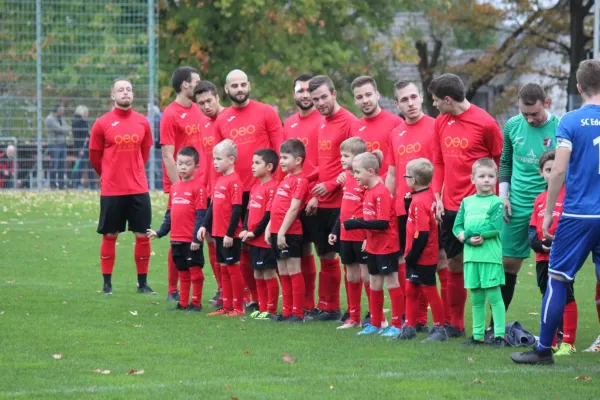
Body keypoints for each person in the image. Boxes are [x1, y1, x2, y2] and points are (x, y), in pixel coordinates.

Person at [511, 60, 600, 365]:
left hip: (579, 214)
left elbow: (559, 168)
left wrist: (548, 213)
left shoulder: (571, 121)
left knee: (558, 278)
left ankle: (543, 350)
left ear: (578, 87)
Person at [429, 73, 503, 338]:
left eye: (437, 100)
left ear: (448, 99)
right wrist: (437, 196)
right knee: (454, 264)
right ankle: (455, 325)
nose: (434, 104)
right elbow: (438, 162)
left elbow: (499, 162)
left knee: (483, 268)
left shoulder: (486, 123)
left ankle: (490, 329)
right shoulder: (440, 122)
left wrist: (496, 200)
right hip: (449, 207)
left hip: (478, 209)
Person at [215, 69, 284, 311]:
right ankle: (250, 298)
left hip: (264, 190)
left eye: (243, 84)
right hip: (236, 191)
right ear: (226, 89)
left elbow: (280, 148)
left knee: (265, 243)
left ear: (249, 85)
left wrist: (279, 184)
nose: (239, 89)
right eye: (234, 86)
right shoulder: (222, 119)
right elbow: (218, 157)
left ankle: (278, 304)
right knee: (239, 244)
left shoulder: (266, 111)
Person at [386, 80, 451, 330]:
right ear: (397, 104)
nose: (410, 103)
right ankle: (419, 320)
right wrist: (390, 206)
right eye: (404, 99)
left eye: (413, 97)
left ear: (422, 97)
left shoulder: (437, 126)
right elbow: (393, 173)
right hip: (405, 209)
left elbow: (445, 167)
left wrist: (440, 199)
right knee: (410, 261)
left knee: (441, 262)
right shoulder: (395, 133)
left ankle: (447, 322)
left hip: (434, 207)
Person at [498, 83, 558, 324]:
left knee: (552, 269)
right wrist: (503, 195)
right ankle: (497, 327)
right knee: (506, 266)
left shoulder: (560, 127)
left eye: (535, 113)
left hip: (548, 208)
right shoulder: (513, 125)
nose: (530, 119)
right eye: (525, 114)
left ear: (546, 103)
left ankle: (558, 330)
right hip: (516, 205)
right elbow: (505, 162)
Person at [88, 78, 154, 295]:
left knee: (143, 235)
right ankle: (107, 285)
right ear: (112, 95)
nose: (125, 92)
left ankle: (142, 284)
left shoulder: (143, 122)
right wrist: (109, 173)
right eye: (120, 90)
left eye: (129, 89)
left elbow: (144, 153)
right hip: (112, 190)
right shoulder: (102, 123)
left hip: (138, 188)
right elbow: (95, 156)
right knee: (109, 235)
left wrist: (133, 171)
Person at [349, 75, 403, 322]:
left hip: (389, 200)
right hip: (364, 203)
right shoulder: (355, 126)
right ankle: (375, 315)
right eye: (359, 97)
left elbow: (395, 164)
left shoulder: (394, 122)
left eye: (368, 94)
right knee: (369, 261)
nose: (365, 100)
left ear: (378, 94)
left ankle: (404, 316)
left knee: (395, 259)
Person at [307, 75, 358, 321]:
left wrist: (330, 185)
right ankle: (328, 307)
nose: (319, 103)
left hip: (342, 201)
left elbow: (355, 165)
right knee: (325, 255)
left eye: (323, 97)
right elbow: (323, 164)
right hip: (323, 201)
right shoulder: (321, 123)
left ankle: (353, 311)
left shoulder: (350, 122)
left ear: (334, 94)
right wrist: (309, 185)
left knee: (347, 258)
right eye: (315, 99)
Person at [343, 152, 405, 336]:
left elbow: (383, 222)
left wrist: (357, 223)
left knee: (391, 282)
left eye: (357, 172)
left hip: (387, 245)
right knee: (375, 283)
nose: (354, 176)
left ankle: (397, 325)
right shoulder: (368, 191)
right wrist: (364, 236)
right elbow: (371, 217)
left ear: (370, 171)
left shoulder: (382, 192)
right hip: (373, 245)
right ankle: (375, 323)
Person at [453, 158, 506, 348]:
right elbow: (457, 226)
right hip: (471, 258)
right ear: (472, 179)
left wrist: (471, 233)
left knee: (494, 296)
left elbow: (494, 227)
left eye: (491, 176)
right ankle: (477, 336)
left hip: (489, 258)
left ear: (496, 179)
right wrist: (465, 238)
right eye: (482, 176)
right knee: (476, 298)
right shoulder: (466, 202)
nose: (486, 180)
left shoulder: (497, 203)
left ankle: (499, 335)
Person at [160, 66, 202, 302]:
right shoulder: (170, 114)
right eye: (197, 81)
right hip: (180, 186)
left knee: (206, 233)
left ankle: (217, 290)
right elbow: (167, 155)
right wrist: (180, 188)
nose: (200, 84)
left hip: (201, 183)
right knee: (179, 236)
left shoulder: (199, 109)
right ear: (185, 84)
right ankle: (172, 289)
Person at [147, 146, 207, 311]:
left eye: (187, 164)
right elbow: (170, 216)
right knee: (182, 271)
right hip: (176, 239)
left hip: (191, 240)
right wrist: (159, 233)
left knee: (195, 271)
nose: (182, 167)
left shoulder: (199, 188)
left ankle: (196, 303)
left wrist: (196, 238)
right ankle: (183, 303)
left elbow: (201, 216)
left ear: (196, 167)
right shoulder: (174, 189)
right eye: (180, 163)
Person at [529, 150, 577, 356]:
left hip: (563, 256)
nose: (552, 173)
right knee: (546, 295)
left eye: (556, 169)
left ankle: (569, 341)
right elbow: (532, 229)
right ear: (541, 172)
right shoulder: (540, 199)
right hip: (542, 258)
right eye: (547, 170)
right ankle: (554, 339)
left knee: (566, 295)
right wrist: (538, 245)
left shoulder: (571, 196)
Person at [283, 74, 322, 313]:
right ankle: (305, 304)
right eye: (301, 90)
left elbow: (327, 162)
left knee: (324, 252)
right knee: (301, 250)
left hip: (317, 198)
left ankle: (326, 304)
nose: (305, 95)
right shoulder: (289, 124)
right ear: (294, 94)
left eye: (309, 90)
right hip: (294, 201)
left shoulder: (323, 120)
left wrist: (316, 192)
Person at [401, 158, 447, 342]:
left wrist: (412, 256)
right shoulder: (425, 196)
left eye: (406, 176)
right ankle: (410, 326)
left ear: (414, 181)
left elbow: (422, 233)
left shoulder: (419, 202)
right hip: (419, 254)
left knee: (429, 291)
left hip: (423, 256)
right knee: (411, 290)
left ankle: (439, 329)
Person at [197, 139, 245, 317]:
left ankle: (238, 308)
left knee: (233, 268)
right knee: (223, 268)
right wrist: (204, 225)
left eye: (218, 159)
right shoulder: (219, 180)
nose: (215, 163)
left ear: (231, 159)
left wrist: (230, 233)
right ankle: (227, 306)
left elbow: (237, 209)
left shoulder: (234, 181)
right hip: (217, 232)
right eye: (214, 159)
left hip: (228, 235)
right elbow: (212, 206)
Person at [266, 139, 309, 322]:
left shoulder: (301, 180)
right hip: (277, 231)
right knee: (282, 270)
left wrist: (282, 232)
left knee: (293, 270)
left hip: (290, 232)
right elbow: (276, 206)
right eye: (280, 157)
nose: (281, 161)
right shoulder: (285, 179)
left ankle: (297, 313)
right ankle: (286, 312)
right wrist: (270, 227)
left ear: (298, 160)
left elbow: (293, 208)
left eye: (285, 157)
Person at [329, 137, 369, 330]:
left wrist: (369, 236)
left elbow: (369, 211)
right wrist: (335, 230)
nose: (341, 159)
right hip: (345, 235)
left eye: (346, 156)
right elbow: (344, 208)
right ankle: (354, 317)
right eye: (341, 156)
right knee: (351, 276)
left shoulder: (365, 181)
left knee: (367, 276)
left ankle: (375, 317)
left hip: (361, 236)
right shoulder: (345, 178)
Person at [193, 80, 228, 308]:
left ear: (217, 97)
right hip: (208, 190)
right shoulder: (203, 125)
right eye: (201, 103)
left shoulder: (227, 120)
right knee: (210, 238)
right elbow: (205, 161)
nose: (206, 106)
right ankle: (222, 288)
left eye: (209, 101)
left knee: (230, 241)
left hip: (227, 192)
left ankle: (241, 292)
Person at [240, 149, 279, 320]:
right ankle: (261, 307)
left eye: (257, 163)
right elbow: (249, 212)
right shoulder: (255, 187)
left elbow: (269, 215)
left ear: (269, 166)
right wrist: (245, 229)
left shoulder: (273, 188)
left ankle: (270, 310)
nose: (252, 166)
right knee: (257, 273)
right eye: (252, 162)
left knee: (268, 273)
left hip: (265, 240)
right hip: (253, 239)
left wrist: (254, 232)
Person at [46, 104, 70, 189]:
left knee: (62, 165)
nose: (63, 112)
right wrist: (64, 129)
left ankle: (61, 185)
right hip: (54, 144)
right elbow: (59, 129)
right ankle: (52, 184)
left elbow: (67, 128)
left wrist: (63, 129)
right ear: (57, 111)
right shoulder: (50, 119)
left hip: (62, 144)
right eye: (62, 110)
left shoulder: (61, 118)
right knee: (54, 165)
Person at [71, 105, 94, 189]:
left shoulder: (79, 121)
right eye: (86, 112)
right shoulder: (79, 122)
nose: (87, 114)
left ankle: (90, 184)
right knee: (80, 166)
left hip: (85, 146)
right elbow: (84, 134)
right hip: (82, 147)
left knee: (85, 165)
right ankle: (77, 184)